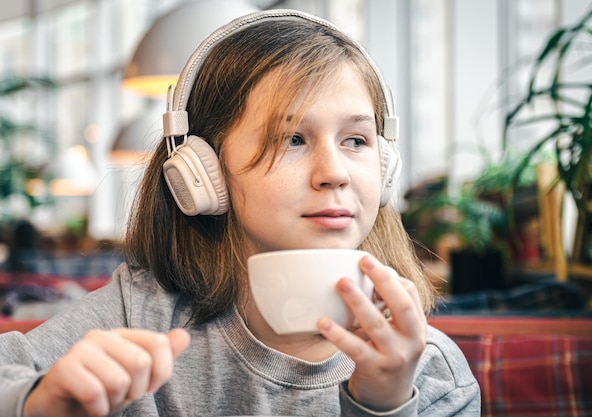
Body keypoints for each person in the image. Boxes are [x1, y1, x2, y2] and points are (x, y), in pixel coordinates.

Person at [0, 9, 480, 417]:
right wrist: (38, 400)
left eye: (356, 140)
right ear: (202, 173)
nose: (335, 173)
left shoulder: (432, 373)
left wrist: (383, 403)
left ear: (385, 167)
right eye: (292, 139)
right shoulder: (139, 312)